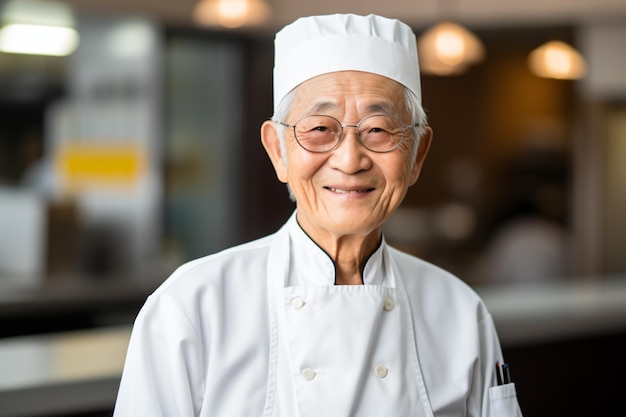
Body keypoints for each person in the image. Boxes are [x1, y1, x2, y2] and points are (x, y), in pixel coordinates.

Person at [113, 13, 523, 417]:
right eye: (320, 129)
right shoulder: (191, 307)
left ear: (417, 155)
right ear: (278, 151)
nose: (349, 160)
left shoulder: (461, 313)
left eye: (378, 129)